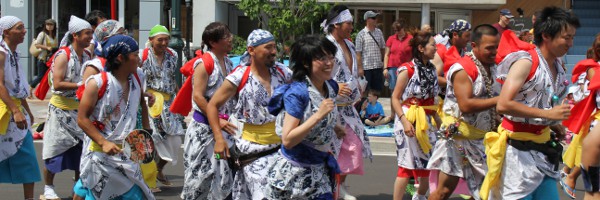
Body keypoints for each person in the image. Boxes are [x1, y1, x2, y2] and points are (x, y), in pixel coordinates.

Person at [481, 6, 579, 200]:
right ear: (546, 36)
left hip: (543, 150)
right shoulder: (526, 62)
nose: (570, 43)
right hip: (518, 154)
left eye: (572, 38)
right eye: (566, 37)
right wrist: (548, 115)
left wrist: (553, 123)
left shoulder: (558, 65)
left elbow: (541, 103)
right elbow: (503, 104)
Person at [206, 29, 291, 200]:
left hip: (281, 150)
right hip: (252, 151)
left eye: (274, 47)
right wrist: (219, 139)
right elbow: (212, 106)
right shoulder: (239, 76)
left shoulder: (282, 72)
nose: (273, 52)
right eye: (268, 47)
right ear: (251, 50)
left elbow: (304, 89)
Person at [75, 35, 154, 200]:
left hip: (127, 154)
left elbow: (141, 103)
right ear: (120, 57)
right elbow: (82, 119)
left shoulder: (137, 78)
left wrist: (146, 132)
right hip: (101, 156)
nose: (139, 59)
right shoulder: (97, 83)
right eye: (134, 54)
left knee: (136, 194)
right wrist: (103, 142)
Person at [265, 35, 343, 200]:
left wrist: (334, 126)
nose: (329, 63)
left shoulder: (330, 86)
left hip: (319, 172)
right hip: (293, 175)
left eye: (331, 56)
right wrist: (318, 116)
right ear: (306, 63)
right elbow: (288, 139)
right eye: (322, 58)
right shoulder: (298, 93)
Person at [427, 24, 500, 200]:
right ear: (474, 46)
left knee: (487, 192)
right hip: (457, 139)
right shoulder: (463, 69)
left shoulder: (494, 67)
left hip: (481, 139)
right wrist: (501, 100)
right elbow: (466, 105)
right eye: (489, 48)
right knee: (444, 191)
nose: (494, 52)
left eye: (496, 47)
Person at [180, 22, 236, 200]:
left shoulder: (228, 61)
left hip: (224, 129)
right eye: (226, 36)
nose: (230, 39)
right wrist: (217, 120)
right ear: (213, 42)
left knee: (223, 181)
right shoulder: (204, 63)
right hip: (203, 132)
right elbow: (198, 97)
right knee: (199, 181)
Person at [322, 5, 372, 200]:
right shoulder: (326, 46)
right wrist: (333, 85)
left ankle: (339, 185)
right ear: (336, 25)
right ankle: (331, 188)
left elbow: (353, 70)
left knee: (354, 146)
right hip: (330, 107)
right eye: (348, 23)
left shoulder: (350, 45)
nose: (352, 26)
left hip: (348, 108)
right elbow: (314, 74)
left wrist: (359, 84)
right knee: (331, 151)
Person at [41, 15, 93, 200]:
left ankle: (79, 188)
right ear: (75, 35)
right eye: (87, 33)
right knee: (54, 151)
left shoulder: (87, 55)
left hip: (79, 111)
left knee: (82, 153)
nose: (90, 37)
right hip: (60, 111)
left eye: (91, 33)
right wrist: (83, 85)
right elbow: (57, 83)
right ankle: (48, 187)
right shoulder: (63, 55)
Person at [390, 30, 439, 200]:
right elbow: (395, 98)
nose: (436, 48)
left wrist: (438, 121)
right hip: (408, 118)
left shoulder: (432, 70)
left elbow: (431, 101)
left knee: (428, 162)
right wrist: (404, 122)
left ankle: (419, 196)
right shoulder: (407, 69)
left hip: (425, 120)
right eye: (432, 45)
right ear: (421, 48)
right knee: (406, 165)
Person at [0, 15, 41, 200]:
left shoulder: (14, 53)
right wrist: (15, 110)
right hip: (4, 112)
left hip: (16, 109)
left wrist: (26, 110)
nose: (24, 31)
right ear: (6, 32)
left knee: (28, 158)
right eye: (19, 28)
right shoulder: (1, 53)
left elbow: (18, 87)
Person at [140, 24, 185, 187]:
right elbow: (135, 78)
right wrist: (143, 94)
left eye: (167, 39)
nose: (164, 43)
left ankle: (159, 169)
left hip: (168, 102)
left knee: (174, 139)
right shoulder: (143, 56)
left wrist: (180, 97)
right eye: (160, 40)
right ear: (151, 40)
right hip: (149, 102)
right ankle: (148, 179)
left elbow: (172, 78)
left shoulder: (172, 55)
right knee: (152, 139)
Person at [560, 33, 600, 199]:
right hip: (595, 123)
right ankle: (569, 175)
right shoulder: (593, 68)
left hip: (593, 126)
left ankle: (569, 175)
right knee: (593, 188)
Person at [432, 19, 472, 89]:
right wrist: (457, 82)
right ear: (455, 35)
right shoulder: (441, 49)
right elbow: (433, 77)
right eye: (467, 36)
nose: (469, 39)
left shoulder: (464, 51)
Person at [356, 10, 385, 93]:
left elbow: (383, 48)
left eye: (376, 18)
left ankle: (375, 106)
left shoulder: (379, 32)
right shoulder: (361, 34)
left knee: (377, 90)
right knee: (366, 91)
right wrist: (360, 68)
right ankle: (366, 106)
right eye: (374, 18)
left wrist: (383, 62)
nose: (376, 20)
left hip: (377, 66)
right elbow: (358, 53)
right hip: (366, 68)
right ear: (368, 19)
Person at [29, 18, 57, 95]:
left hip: (51, 60)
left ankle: (51, 93)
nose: (49, 26)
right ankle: (30, 89)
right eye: (47, 24)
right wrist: (47, 47)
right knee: (40, 77)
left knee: (51, 77)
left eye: (51, 24)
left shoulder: (54, 36)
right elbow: (37, 45)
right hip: (43, 59)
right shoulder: (42, 34)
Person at [385, 19, 413, 92]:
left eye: (399, 30)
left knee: (404, 88)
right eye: (395, 30)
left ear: (403, 28)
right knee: (393, 89)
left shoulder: (410, 39)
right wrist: (385, 68)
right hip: (393, 67)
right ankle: (394, 103)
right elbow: (386, 54)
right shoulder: (391, 38)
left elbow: (414, 54)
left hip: (405, 67)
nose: (397, 32)